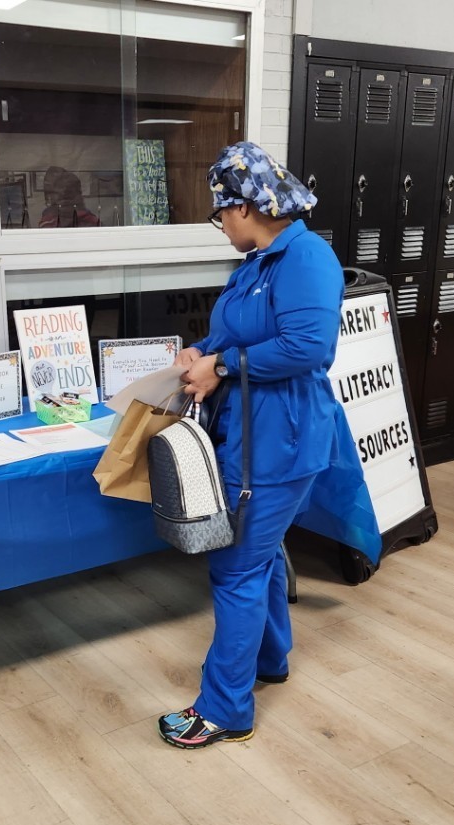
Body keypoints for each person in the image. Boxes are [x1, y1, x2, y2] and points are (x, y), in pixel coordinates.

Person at [159, 141, 381, 750]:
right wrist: (200, 351)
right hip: (251, 437)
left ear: (247, 205)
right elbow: (232, 332)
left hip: (277, 443)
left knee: (235, 568)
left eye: (219, 213)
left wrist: (223, 366)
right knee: (261, 557)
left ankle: (225, 709)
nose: (220, 224)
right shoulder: (258, 262)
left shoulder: (306, 257)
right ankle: (270, 661)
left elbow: (310, 348)